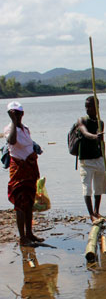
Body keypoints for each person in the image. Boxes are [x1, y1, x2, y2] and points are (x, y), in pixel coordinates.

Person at [4, 101, 44, 245]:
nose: (18, 116)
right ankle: (22, 238)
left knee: (29, 202)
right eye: (15, 114)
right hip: (19, 169)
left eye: (19, 113)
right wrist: (14, 122)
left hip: (30, 168)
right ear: (10, 115)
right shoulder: (10, 129)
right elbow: (12, 141)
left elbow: (28, 145)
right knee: (20, 203)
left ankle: (29, 234)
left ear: (23, 113)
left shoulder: (26, 128)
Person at [76, 95, 106, 223]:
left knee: (99, 186)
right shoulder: (81, 121)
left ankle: (96, 210)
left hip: (98, 158)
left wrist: (104, 157)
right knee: (87, 187)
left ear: (97, 107)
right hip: (86, 160)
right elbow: (85, 133)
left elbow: (102, 142)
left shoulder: (100, 123)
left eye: (90, 106)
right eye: (86, 106)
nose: (87, 109)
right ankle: (91, 214)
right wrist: (95, 136)